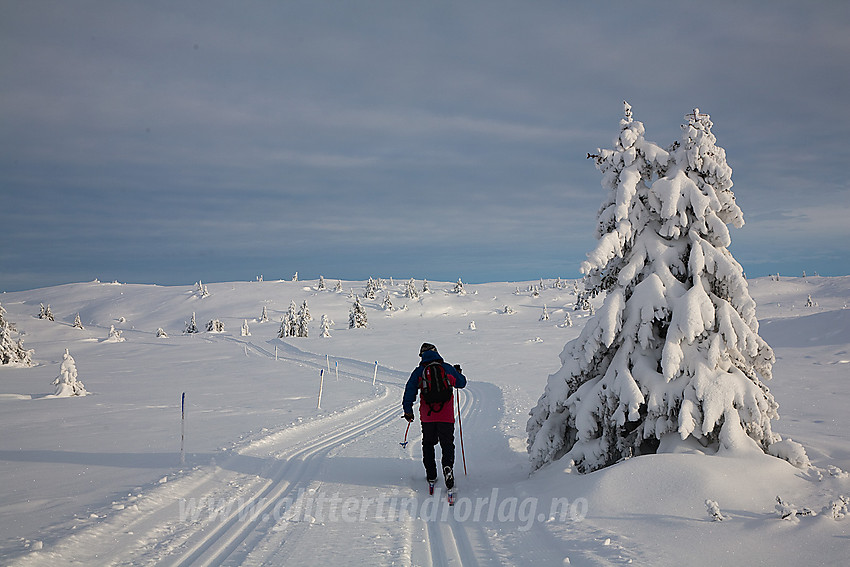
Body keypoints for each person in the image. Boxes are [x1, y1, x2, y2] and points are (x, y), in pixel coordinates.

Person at [402, 342, 467, 490]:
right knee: (447, 444)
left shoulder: (419, 371)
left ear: (422, 355)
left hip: (428, 416)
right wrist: (459, 373)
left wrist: (408, 410)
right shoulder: (446, 368)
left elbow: (410, 390)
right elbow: (461, 383)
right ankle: (448, 468)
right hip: (446, 415)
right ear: (436, 352)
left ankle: (431, 474)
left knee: (428, 443)